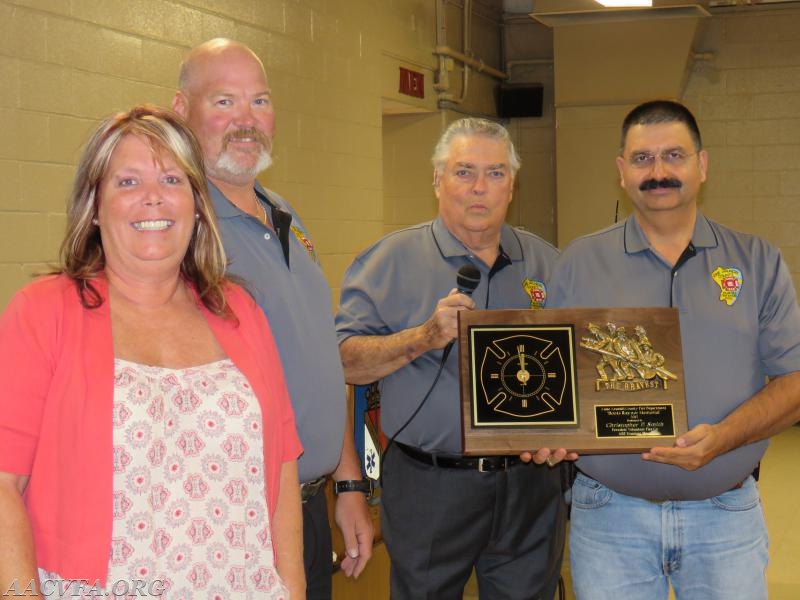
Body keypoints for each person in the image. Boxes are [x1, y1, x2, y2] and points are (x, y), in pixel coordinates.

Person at [0, 105, 305, 598]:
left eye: (171, 179)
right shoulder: (43, 313)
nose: (152, 199)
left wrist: (292, 588)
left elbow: (284, 462)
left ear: (195, 204)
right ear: (94, 207)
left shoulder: (240, 313)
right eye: (126, 182)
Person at [547, 100, 800, 600]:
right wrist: (549, 431)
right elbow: (554, 382)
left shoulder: (757, 261)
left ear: (702, 165)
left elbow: (794, 382)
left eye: (674, 156)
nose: (658, 172)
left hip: (725, 516)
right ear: (621, 171)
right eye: (642, 159)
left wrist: (723, 438)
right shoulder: (579, 262)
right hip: (608, 518)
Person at [172, 39, 373, 597]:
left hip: (307, 503)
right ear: (180, 110)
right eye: (224, 102)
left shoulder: (283, 212)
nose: (246, 121)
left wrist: (348, 479)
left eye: (259, 101)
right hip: (237, 515)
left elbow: (313, 360)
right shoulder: (181, 226)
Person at [336, 118, 566, 599]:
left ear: (512, 185)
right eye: (464, 172)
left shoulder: (551, 265)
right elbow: (344, 363)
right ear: (437, 180)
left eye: (496, 173)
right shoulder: (387, 261)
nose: (480, 187)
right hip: (429, 485)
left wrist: (568, 437)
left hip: (531, 485)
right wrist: (421, 338)